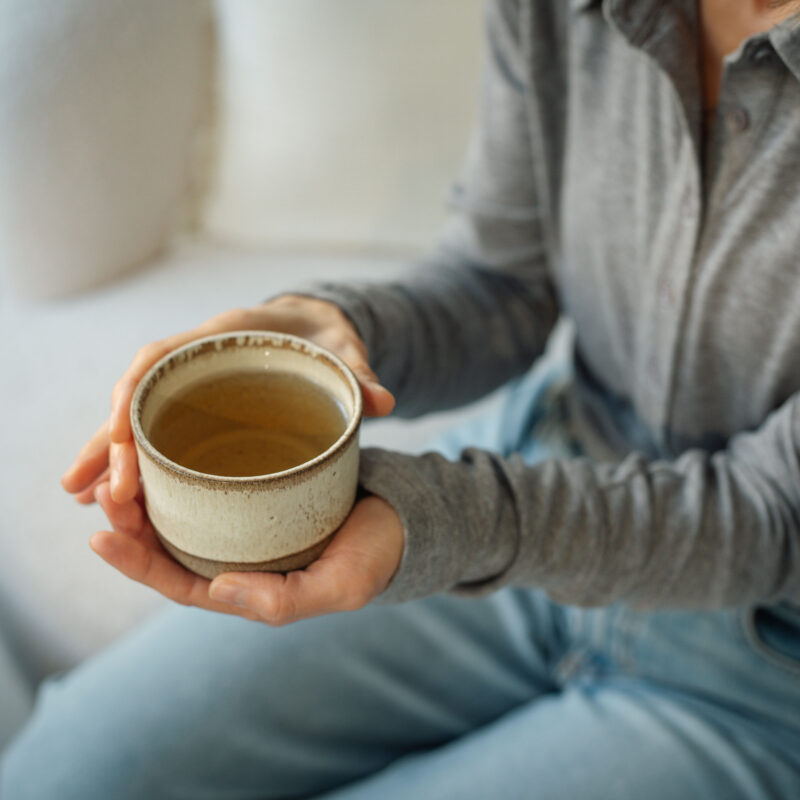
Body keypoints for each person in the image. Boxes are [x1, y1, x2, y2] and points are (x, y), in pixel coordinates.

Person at [4, 0, 800, 797]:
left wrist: (447, 524)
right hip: (554, 461)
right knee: (59, 776)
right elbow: (503, 283)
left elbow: (770, 514)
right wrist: (341, 331)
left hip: (754, 670)